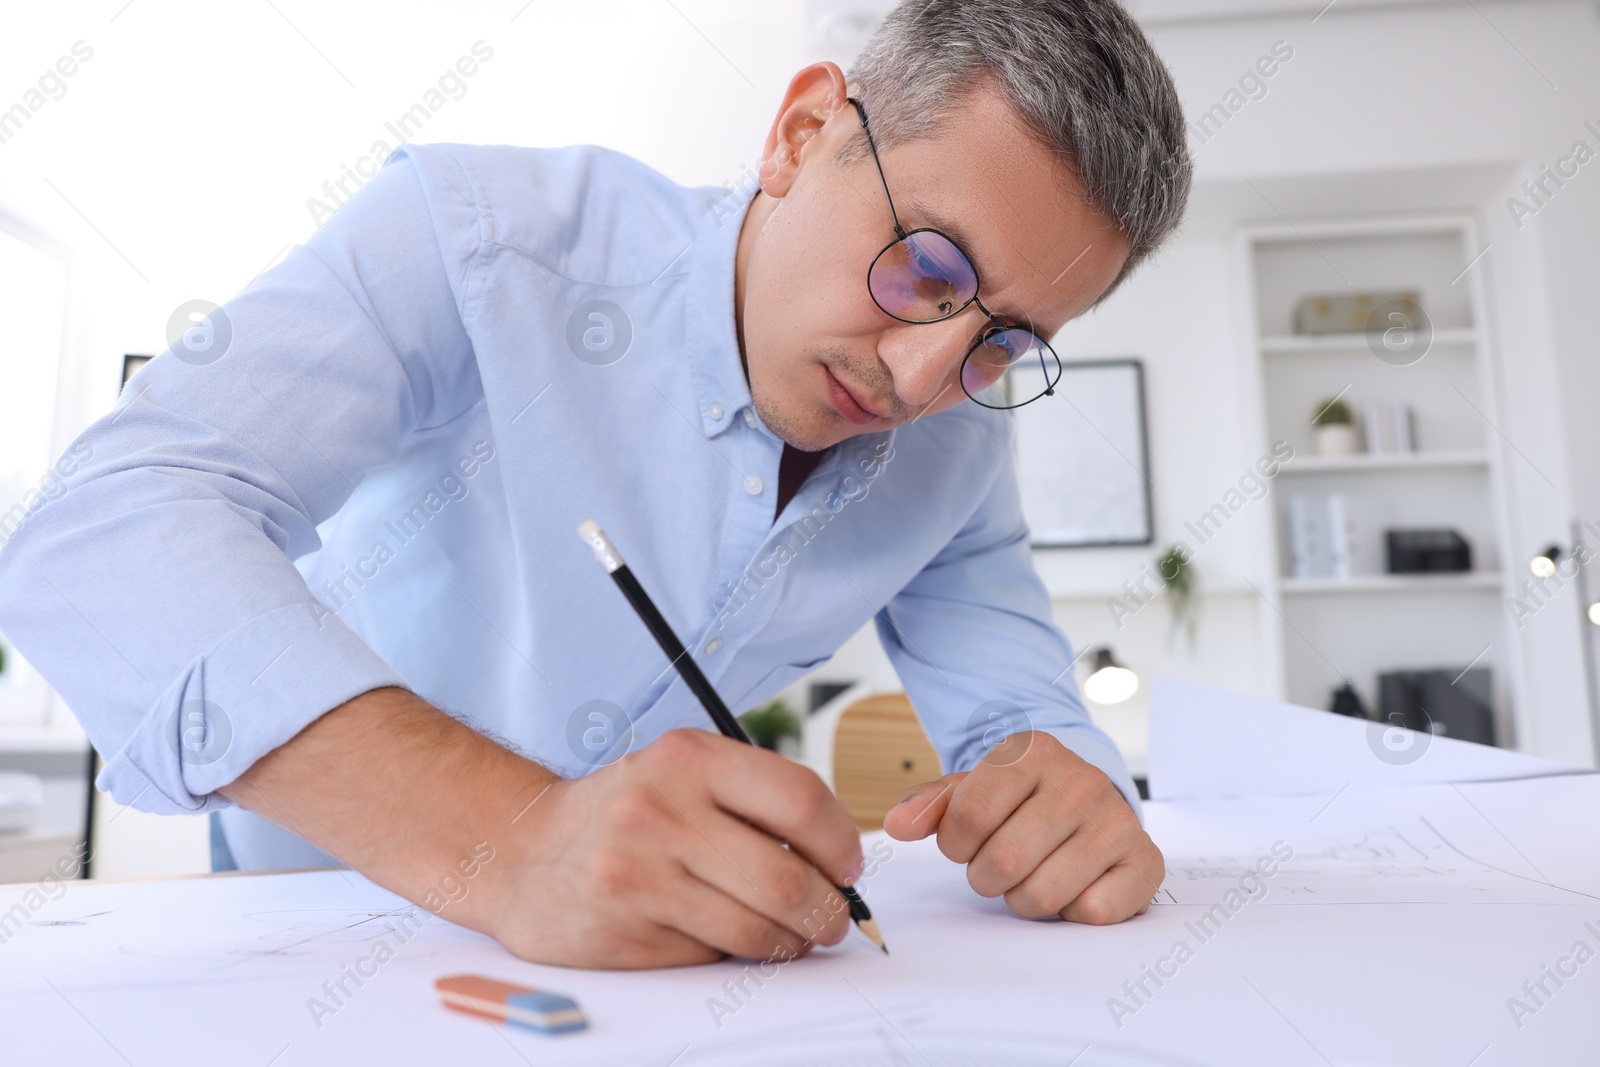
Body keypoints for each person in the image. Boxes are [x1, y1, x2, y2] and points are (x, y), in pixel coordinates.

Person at [0, 0, 1191, 969]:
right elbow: (101, 525)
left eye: (1004, 340)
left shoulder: (960, 443)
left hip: (646, 982)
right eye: (927, 265)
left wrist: (1061, 800)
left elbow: (1016, 726)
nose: (926, 374)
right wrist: (517, 843)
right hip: (324, 934)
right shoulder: (479, 241)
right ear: (800, 131)